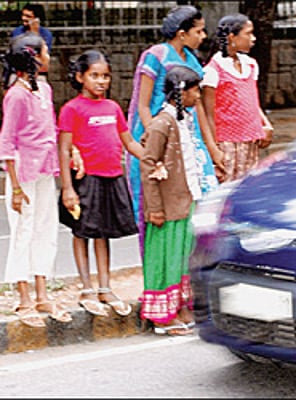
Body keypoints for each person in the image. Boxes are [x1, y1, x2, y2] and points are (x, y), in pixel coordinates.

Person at [127, 5, 223, 257]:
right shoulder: (156, 55)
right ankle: (159, 276)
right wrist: (155, 144)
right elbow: (144, 106)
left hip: (189, 138)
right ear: (182, 33)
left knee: (201, 201)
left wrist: (211, 148)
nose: (203, 37)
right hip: (160, 138)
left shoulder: (192, 60)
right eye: (199, 31)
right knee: (160, 208)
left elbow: (199, 106)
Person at [57, 49, 144, 318]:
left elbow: (128, 141)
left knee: (103, 233)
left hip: (112, 177)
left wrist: (151, 158)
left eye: (105, 76)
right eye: (94, 75)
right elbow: (63, 149)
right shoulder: (72, 109)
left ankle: (105, 287)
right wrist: (68, 187)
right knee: (82, 232)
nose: (101, 81)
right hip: (85, 180)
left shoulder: (113, 107)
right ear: (81, 77)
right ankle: (86, 288)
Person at [0, 32, 72, 328]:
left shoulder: (44, 89)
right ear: (33, 58)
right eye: (45, 52)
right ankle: (23, 298)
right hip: (23, 175)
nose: (50, 57)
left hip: (45, 170)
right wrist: (15, 188)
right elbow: (7, 143)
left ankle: (43, 293)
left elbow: (50, 130)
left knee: (45, 229)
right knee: (23, 231)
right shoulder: (15, 95)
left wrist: (73, 152)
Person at [139, 65, 203, 335]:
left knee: (183, 258)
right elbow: (148, 164)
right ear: (181, 92)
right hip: (166, 207)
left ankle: (181, 306)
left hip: (185, 200)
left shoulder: (183, 119)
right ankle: (162, 316)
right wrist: (154, 209)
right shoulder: (162, 124)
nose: (198, 96)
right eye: (195, 90)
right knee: (165, 259)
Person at [202, 13, 274, 182]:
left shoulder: (250, 64)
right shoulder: (213, 70)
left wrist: (265, 124)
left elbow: (252, 100)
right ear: (232, 37)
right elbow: (208, 114)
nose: (253, 38)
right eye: (248, 33)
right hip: (227, 143)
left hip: (250, 140)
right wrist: (214, 149)